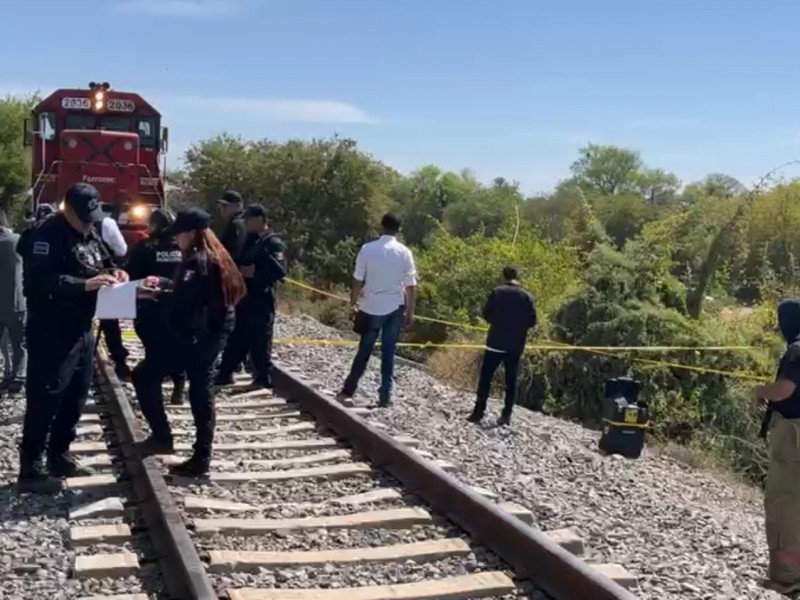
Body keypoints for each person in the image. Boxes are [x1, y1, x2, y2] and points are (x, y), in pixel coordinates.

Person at [18, 183, 128, 492]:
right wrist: (86, 285)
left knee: (76, 394)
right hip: (51, 327)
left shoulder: (89, 233)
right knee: (46, 395)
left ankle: (59, 454)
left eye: (93, 215)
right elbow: (42, 280)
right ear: (68, 210)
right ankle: (31, 467)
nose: (89, 222)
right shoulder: (47, 234)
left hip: (81, 327)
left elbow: (106, 261)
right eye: (84, 216)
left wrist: (116, 273)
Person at [134, 207, 245, 476]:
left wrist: (153, 295)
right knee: (201, 392)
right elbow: (191, 293)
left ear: (193, 234)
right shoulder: (216, 255)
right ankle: (201, 455)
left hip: (200, 336)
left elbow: (184, 304)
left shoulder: (198, 261)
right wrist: (164, 283)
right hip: (213, 332)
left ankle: (163, 437)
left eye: (180, 234)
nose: (176, 239)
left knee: (144, 376)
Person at [335, 214, 416, 408]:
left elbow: (357, 279)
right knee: (389, 353)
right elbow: (411, 285)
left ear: (381, 227)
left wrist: (353, 302)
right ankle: (385, 396)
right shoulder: (405, 252)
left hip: (370, 306)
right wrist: (410, 311)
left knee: (364, 349)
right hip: (395, 308)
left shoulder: (367, 249)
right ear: (399, 229)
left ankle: (349, 388)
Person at [755, 299, 800, 595]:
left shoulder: (797, 348)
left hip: (793, 431)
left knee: (784, 502)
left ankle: (786, 578)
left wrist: (760, 391)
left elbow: (786, 389)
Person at [215, 204, 286, 389]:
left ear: (261, 219)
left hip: (261, 299)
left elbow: (279, 271)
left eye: (250, 220)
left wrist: (257, 274)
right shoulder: (251, 241)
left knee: (260, 341)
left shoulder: (273, 243)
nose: (246, 223)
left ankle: (264, 377)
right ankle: (225, 373)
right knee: (237, 338)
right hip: (246, 297)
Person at [127, 208, 186, 405]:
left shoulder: (145, 247)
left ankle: (155, 393)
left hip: (150, 308)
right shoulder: (183, 248)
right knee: (178, 346)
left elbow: (132, 276)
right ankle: (179, 387)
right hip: (179, 308)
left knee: (153, 350)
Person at [467, 266, 537, 427]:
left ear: (504, 277)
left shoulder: (497, 292)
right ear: (518, 277)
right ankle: (506, 414)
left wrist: (498, 323)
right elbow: (532, 321)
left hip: (495, 342)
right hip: (516, 345)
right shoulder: (527, 297)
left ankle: (478, 412)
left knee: (486, 378)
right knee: (511, 380)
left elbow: (486, 314)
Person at [95, 214, 131, 379]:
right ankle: (120, 363)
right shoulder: (106, 223)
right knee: (110, 321)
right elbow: (121, 249)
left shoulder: (64, 220)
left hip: (78, 278)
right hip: (105, 276)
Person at [0, 210, 26, 395]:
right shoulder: (17, 240)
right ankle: (18, 377)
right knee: (20, 343)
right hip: (16, 302)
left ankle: (8, 373)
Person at [217, 190, 247, 262]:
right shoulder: (247, 221)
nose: (222, 209)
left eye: (225, 205)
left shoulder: (235, 225)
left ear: (238, 206)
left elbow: (229, 254)